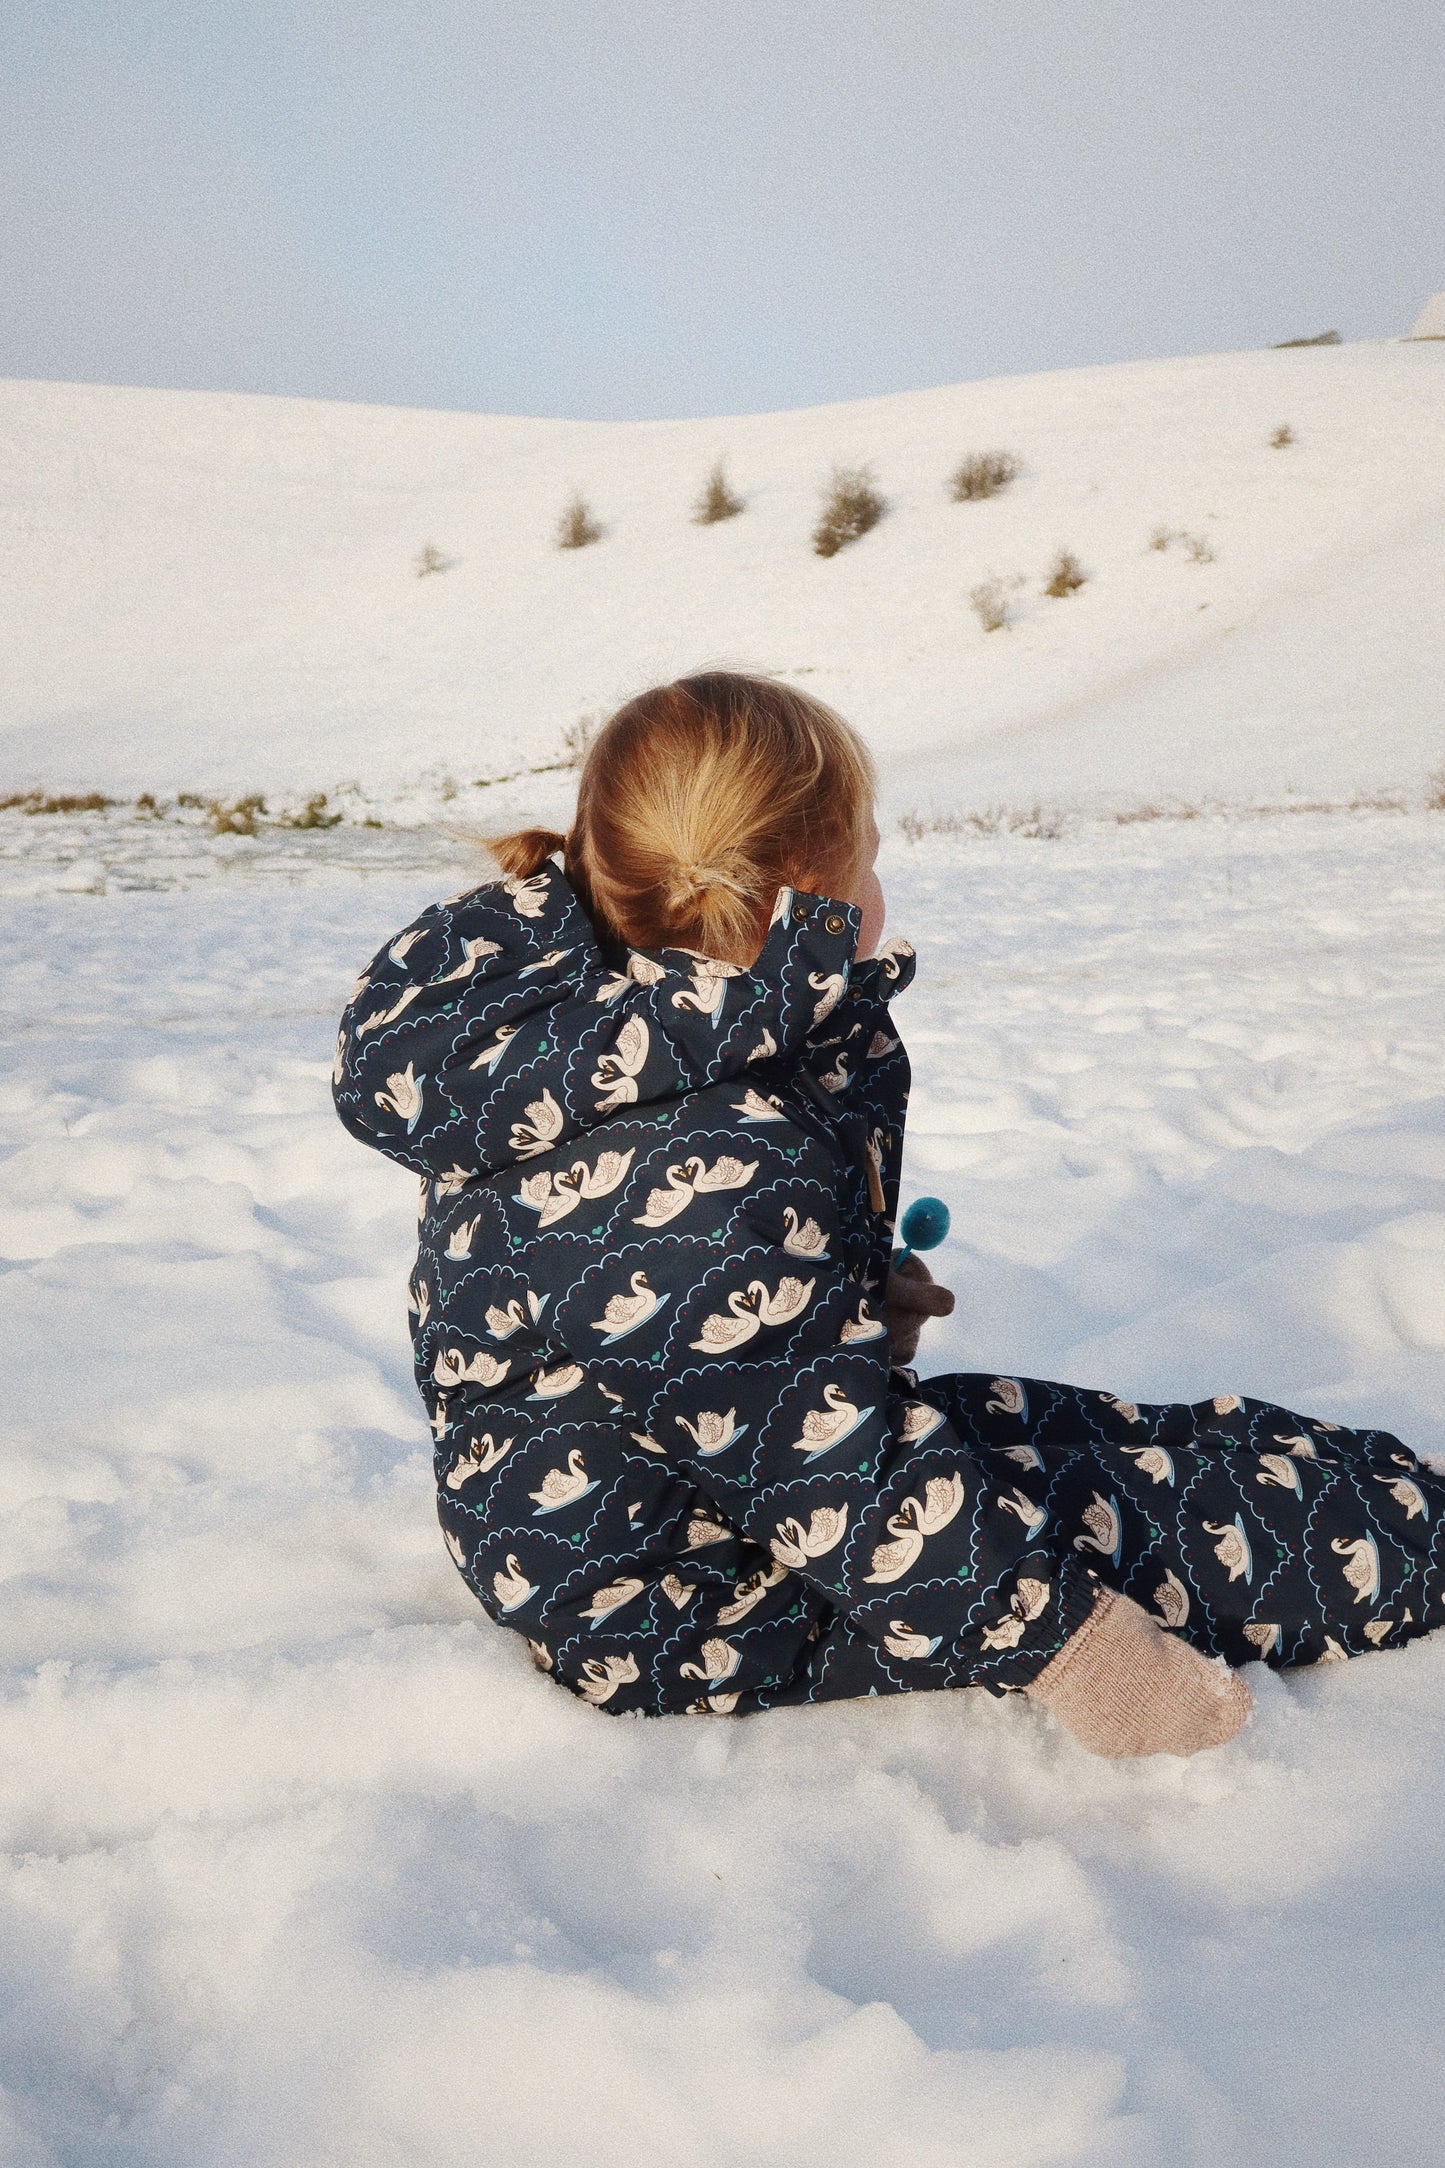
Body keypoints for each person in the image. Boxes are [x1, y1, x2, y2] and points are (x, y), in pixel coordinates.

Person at [332, 672, 1442, 1754]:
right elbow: (840, 1482)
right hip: (687, 1602)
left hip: (677, 1511)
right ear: (792, 899)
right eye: (867, 854)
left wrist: (821, 1304)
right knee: (1251, 1530)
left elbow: (686, 1351)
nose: (881, 879)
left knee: (1142, 1444)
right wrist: (1077, 1653)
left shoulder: (600, 1043)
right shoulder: (691, 1152)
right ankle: (1405, 1539)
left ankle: (1367, 1483)